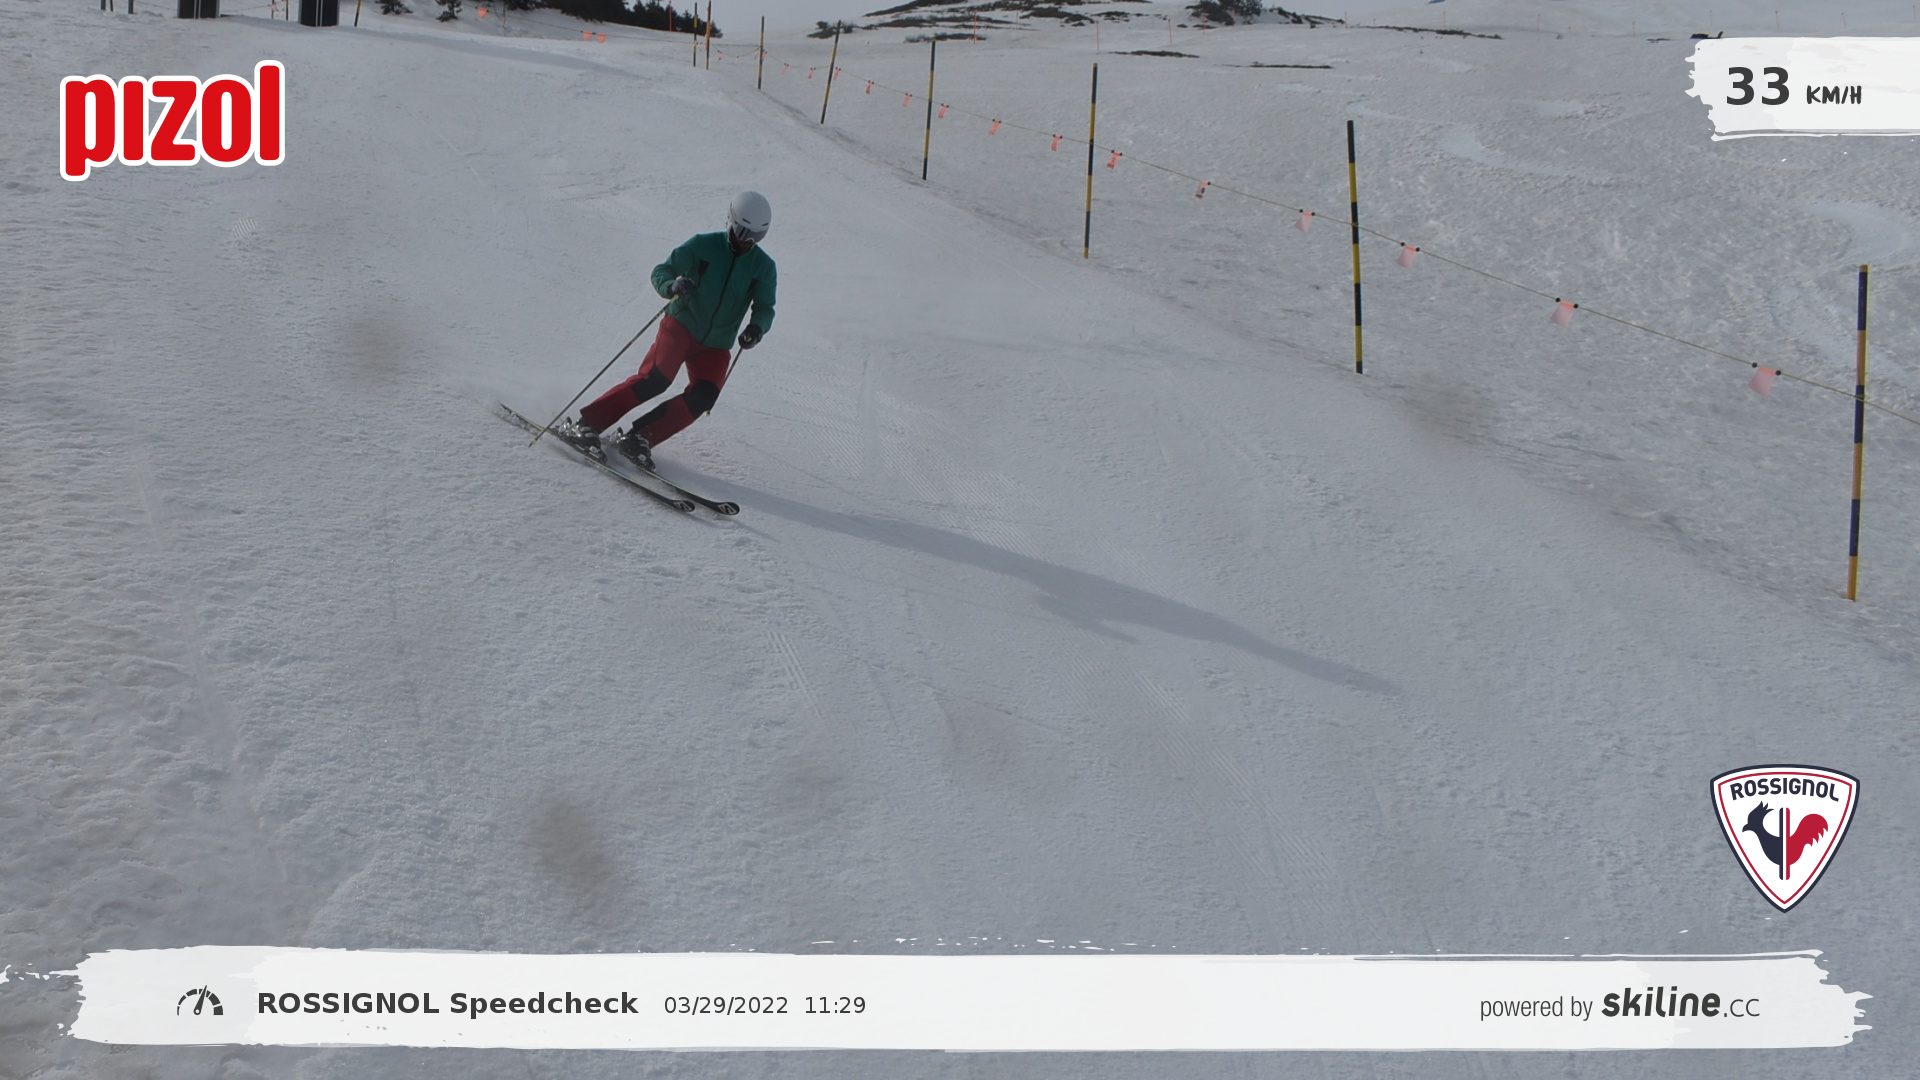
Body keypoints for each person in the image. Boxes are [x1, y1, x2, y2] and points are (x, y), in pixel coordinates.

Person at [557, 191, 776, 469]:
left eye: (753, 238)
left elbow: (765, 307)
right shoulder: (703, 245)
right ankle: (585, 424)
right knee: (655, 379)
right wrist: (672, 286)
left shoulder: (763, 268)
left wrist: (756, 328)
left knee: (705, 395)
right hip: (682, 325)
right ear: (731, 221)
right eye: (741, 232)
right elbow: (662, 271)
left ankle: (639, 437)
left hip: (717, 343)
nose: (744, 242)